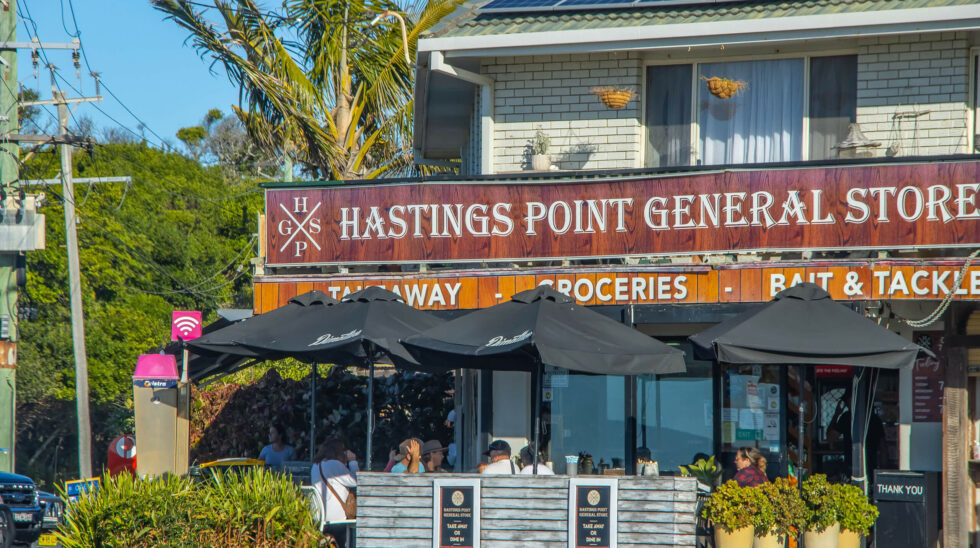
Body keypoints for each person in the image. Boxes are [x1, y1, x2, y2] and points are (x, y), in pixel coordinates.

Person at [311, 438, 357, 542]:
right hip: (336, 519)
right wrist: (353, 462)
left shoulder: (315, 466)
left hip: (319, 517)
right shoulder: (334, 464)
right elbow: (356, 481)